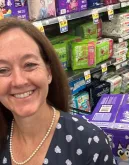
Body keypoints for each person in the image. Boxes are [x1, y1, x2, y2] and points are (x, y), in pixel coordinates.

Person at [0, 17, 115, 165]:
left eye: (29, 65)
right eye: (2, 70)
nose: (19, 81)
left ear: (48, 72)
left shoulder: (91, 143)